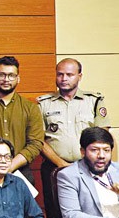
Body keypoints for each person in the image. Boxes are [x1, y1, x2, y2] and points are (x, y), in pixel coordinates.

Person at [38, 58, 109, 195]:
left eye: (69, 75)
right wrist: (60, 163)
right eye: (60, 74)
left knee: (90, 209)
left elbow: (102, 136)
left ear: (79, 76)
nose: (64, 78)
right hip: (54, 168)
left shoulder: (93, 101)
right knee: (55, 212)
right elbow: (38, 140)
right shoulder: (44, 103)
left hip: (89, 167)